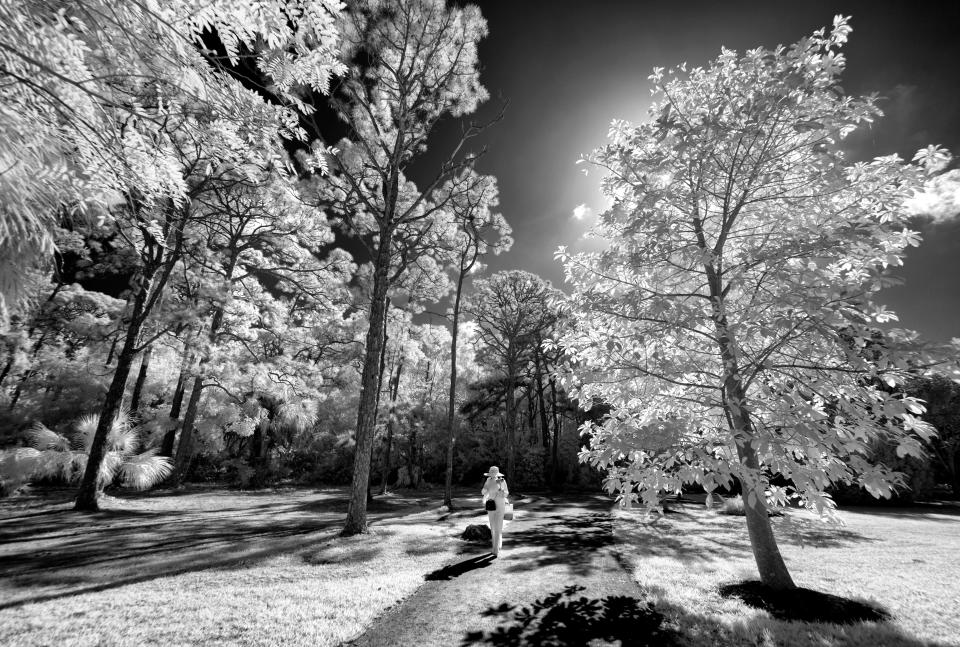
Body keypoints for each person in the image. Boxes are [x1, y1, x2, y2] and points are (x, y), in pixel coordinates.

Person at [481, 465, 509, 556]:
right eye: (491, 473)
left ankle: (495, 549)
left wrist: (502, 492)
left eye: (493, 473)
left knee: (498, 527)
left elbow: (506, 493)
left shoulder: (502, 480)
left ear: (497, 473)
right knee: (493, 527)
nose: (492, 475)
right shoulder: (488, 480)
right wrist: (484, 491)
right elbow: (483, 492)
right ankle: (497, 545)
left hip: (500, 505)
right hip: (491, 506)